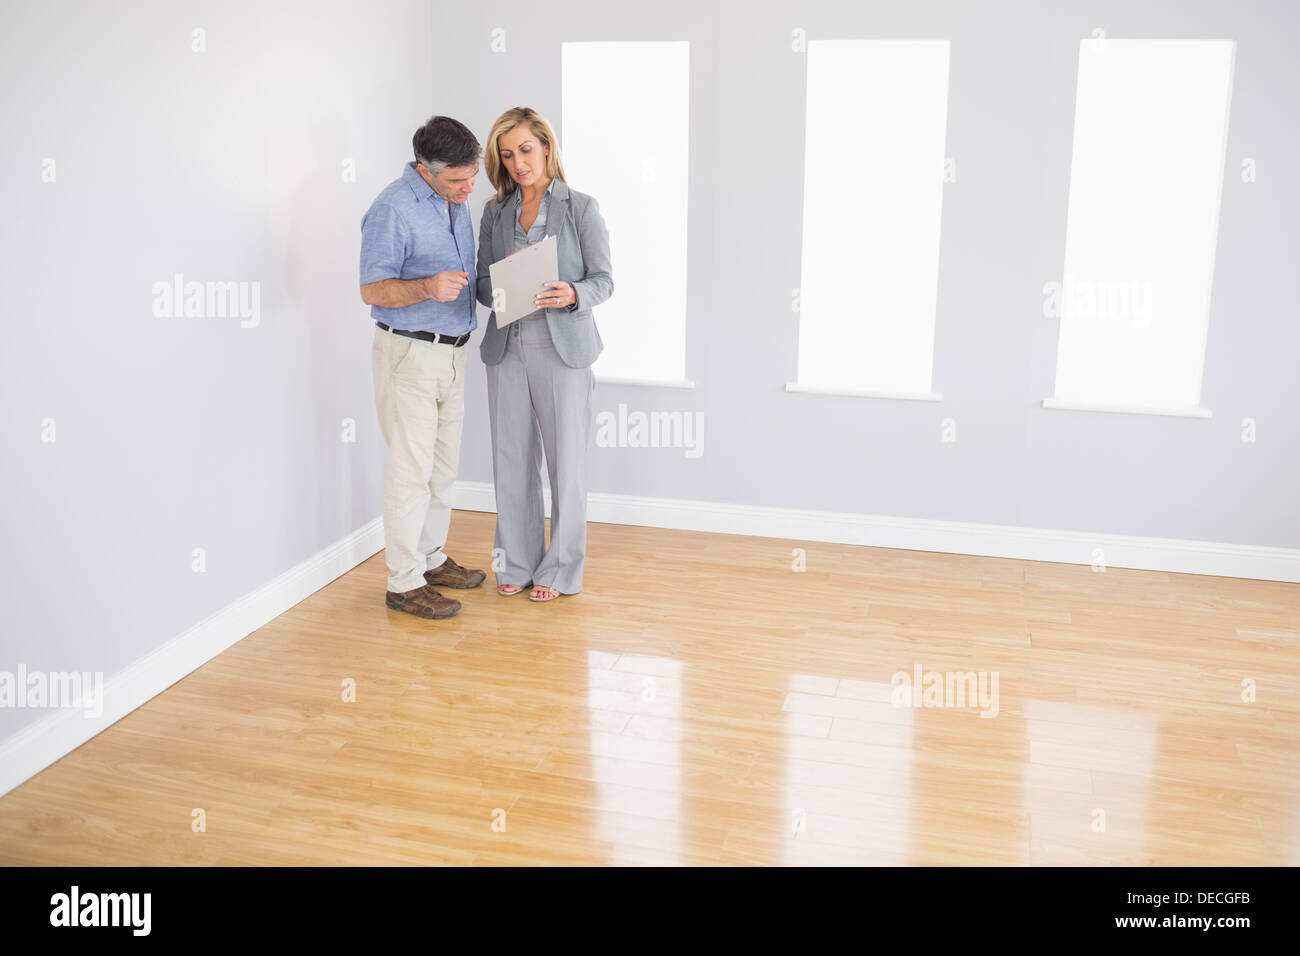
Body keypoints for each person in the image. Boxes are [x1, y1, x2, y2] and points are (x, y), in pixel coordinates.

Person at [475, 107, 613, 602]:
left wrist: (572, 293)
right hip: (507, 345)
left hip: (562, 348)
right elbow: (483, 282)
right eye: (507, 155)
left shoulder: (581, 208)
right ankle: (516, 562)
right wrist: (502, 289)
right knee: (511, 457)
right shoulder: (495, 212)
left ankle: (559, 571)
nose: (518, 163)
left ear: (547, 148)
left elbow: (604, 281)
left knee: (566, 464)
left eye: (526, 150)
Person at [359, 115, 488, 620]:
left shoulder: (455, 201)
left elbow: (463, 275)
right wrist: (426, 287)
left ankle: (431, 558)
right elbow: (372, 290)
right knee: (410, 473)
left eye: (471, 177)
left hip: (453, 352)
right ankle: (403, 582)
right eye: (457, 180)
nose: (468, 188)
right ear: (424, 170)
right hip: (409, 354)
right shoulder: (392, 209)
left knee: (442, 469)